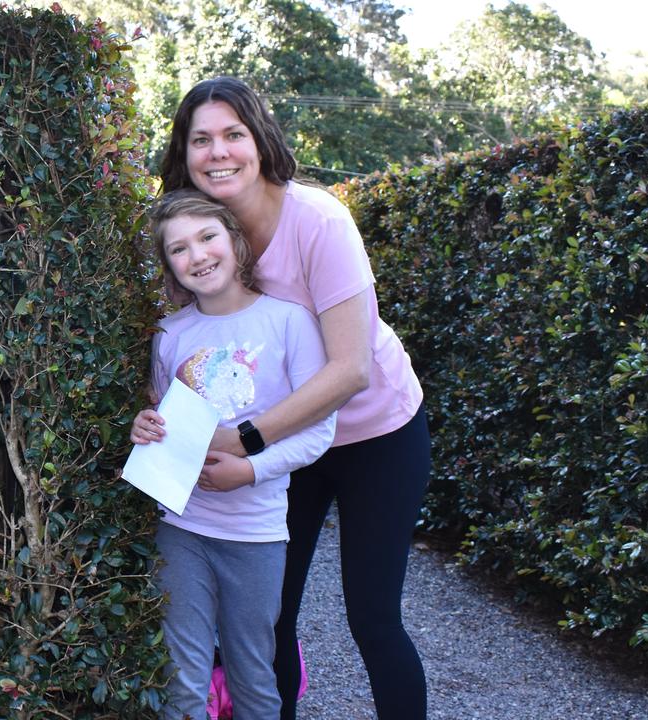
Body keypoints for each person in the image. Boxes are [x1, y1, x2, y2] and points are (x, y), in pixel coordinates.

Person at [159, 76, 432, 720]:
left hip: (376, 435)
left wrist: (246, 439)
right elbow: (195, 351)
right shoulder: (202, 236)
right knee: (268, 616)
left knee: (372, 618)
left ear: (260, 141)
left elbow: (350, 370)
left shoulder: (318, 219)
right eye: (202, 139)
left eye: (234, 134)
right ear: (185, 153)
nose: (218, 151)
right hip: (290, 447)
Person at [130, 190, 335, 720]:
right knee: (183, 677)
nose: (197, 255)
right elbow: (163, 419)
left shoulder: (289, 322)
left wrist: (249, 470)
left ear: (235, 242)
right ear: (169, 266)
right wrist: (145, 427)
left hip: (256, 534)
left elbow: (319, 430)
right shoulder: (170, 335)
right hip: (181, 527)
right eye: (178, 249)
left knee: (252, 674)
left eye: (206, 237)